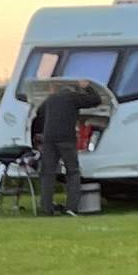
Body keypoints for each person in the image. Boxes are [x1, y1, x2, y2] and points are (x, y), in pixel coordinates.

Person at [29, 74, 108, 216]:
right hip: (66, 138)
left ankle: (46, 208)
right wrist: (88, 87)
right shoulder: (72, 97)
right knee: (72, 172)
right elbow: (96, 100)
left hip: (49, 138)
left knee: (48, 173)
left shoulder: (51, 99)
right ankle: (71, 208)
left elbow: (39, 112)